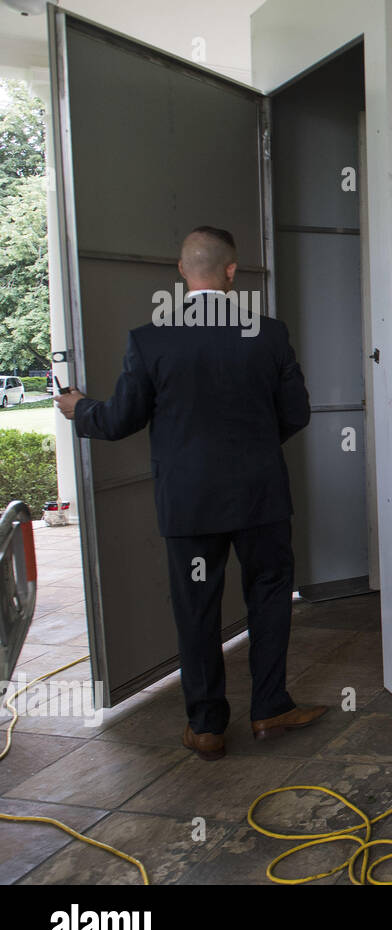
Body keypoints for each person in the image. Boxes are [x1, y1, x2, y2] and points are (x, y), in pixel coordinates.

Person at [54, 226, 326, 761]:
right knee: (269, 599)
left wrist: (79, 408)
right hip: (260, 499)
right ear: (232, 271)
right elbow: (296, 414)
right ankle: (270, 709)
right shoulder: (268, 334)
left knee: (196, 609)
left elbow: (118, 420)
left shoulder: (150, 339)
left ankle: (206, 727)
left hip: (189, 503)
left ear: (182, 273)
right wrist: (251, 448)